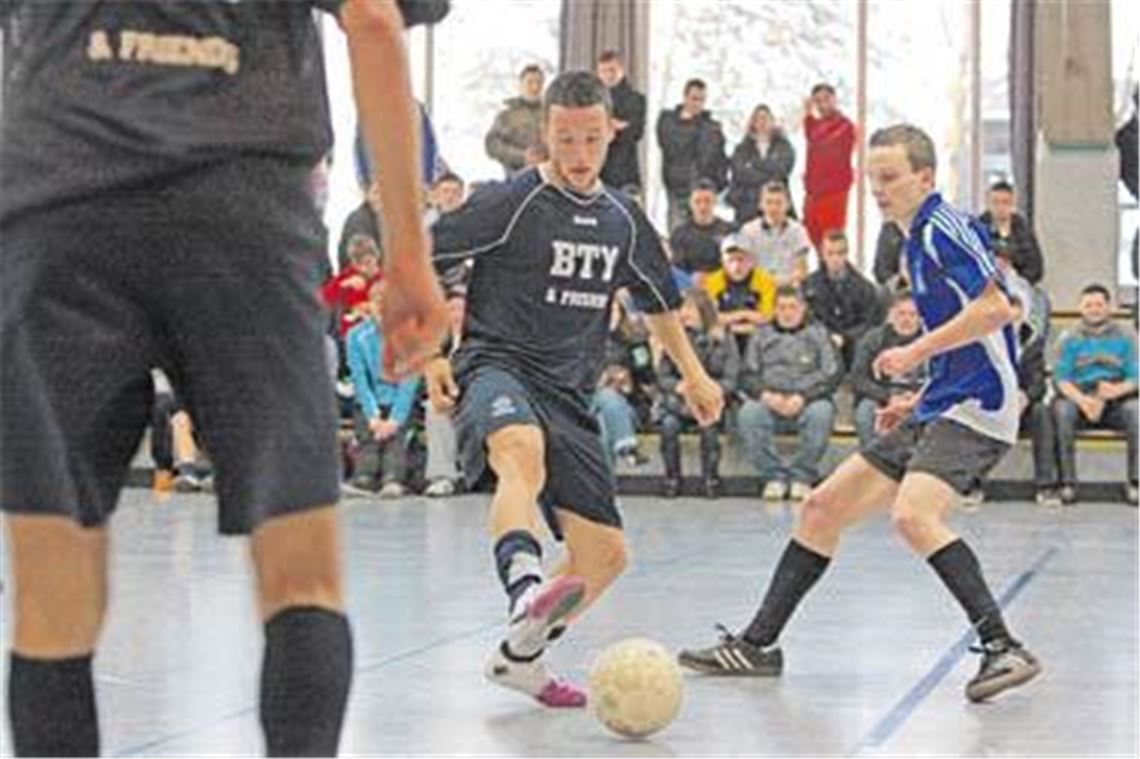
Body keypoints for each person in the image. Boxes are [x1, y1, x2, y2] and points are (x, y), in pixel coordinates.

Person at [0, 1, 450, 756]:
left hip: (59, 210)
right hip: (244, 210)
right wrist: (408, 255)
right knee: (300, 574)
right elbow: (374, 19)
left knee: (52, 595)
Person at [680, 124, 1042, 705]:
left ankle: (1003, 645)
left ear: (925, 178)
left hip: (980, 406)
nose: (878, 189)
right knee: (821, 509)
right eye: (873, 178)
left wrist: (916, 352)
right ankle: (757, 645)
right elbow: (964, 336)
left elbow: (1001, 309)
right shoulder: (909, 239)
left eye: (891, 177)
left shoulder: (944, 227)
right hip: (944, 402)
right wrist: (921, 396)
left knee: (913, 516)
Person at [425, 71, 724, 708]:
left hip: (569, 392)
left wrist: (694, 374)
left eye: (592, 138)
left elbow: (660, 304)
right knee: (520, 453)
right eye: (566, 139)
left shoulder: (623, 219)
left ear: (612, 134)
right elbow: (421, 258)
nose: (580, 153)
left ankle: (519, 657)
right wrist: (429, 354)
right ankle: (524, 586)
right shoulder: (510, 201)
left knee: (605, 556)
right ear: (546, 136)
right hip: (496, 363)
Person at [736, 286, 841, 501]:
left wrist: (804, 397)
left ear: (803, 309)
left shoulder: (819, 334)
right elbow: (747, 374)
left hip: (808, 400)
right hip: (769, 398)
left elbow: (832, 374)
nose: (787, 312)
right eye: (781, 307)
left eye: (792, 307)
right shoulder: (760, 335)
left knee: (822, 413)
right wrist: (765, 395)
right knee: (749, 413)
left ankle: (802, 477)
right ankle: (773, 477)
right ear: (774, 309)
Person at [1052, 284, 1138, 505]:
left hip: (1115, 399)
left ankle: (1135, 483)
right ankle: (1067, 483)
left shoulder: (1126, 337)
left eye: (1099, 304)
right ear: (1080, 308)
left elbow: (1135, 378)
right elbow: (1061, 379)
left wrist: (1110, 394)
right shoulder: (1068, 338)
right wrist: (1085, 401)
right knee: (1061, 411)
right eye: (1088, 305)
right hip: (1078, 399)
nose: (1094, 309)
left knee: (1137, 411)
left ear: (1109, 307)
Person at [656, 289, 740, 499]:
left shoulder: (724, 339)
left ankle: (711, 479)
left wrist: (708, 391)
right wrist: (680, 387)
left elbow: (731, 378)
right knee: (668, 425)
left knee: (709, 427)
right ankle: (671, 478)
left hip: (713, 400)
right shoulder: (674, 341)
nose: (684, 314)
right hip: (679, 401)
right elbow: (663, 376)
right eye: (681, 309)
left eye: (689, 309)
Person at [346, 282, 423, 498]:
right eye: (378, 301)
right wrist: (373, 416)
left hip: (400, 400)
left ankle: (393, 479)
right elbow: (359, 379)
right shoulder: (355, 336)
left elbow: (410, 382)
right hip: (371, 401)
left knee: (397, 438)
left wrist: (394, 420)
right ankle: (365, 478)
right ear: (370, 304)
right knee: (368, 436)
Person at [850, 291, 926, 449]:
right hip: (881, 397)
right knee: (865, 411)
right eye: (901, 314)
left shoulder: (931, 339)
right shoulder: (873, 339)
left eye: (913, 314)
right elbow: (858, 379)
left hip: (920, 398)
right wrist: (888, 397)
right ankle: (872, 462)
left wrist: (916, 398)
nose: (907, 320)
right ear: (891, 315)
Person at [803, 228, 885, 370]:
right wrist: (827, 336)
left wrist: (844, 337)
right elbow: (807, 317)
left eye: (840, 253)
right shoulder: (809, 286)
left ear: (847, 254)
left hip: (852, 344)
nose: (835, 258)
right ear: (822, 254)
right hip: (818, 342)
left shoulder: (864, 288)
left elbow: (869, 321)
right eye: (830, 253)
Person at [656, 78, 728, 231]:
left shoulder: (711, 127)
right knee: (678, 235)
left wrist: (718, 184)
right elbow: (671, 146)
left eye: (702, 100)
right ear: (685, 97)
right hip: (678, 187)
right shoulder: (667, 121)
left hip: (703, 189)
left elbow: (719, 157)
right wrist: (690, 123)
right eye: (694, 98)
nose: (698, 104)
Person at [802, 83, 856, 250]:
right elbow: (810, 131)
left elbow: (826, 144)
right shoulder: (814, 125)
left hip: (834, 192)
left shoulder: (845, 125)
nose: (823, 104)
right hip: (813, 193)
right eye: (818, 101)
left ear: (834, 100)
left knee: (832, 242)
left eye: (826, 99)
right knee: (813, 237)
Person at [703, 234, 776, 355]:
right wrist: (746, 314)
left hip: (757, 337)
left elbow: (767, 318)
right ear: (722, 261)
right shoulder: (712, 281)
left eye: (741, 259)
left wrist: (729, 321)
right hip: (724, 338)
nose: (736, 266)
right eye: (731, 260)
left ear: (752, 261)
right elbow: (711, 317)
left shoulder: (765, 281)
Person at [727, 104, 796, 225]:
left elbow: (781, 171)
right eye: (758, 118)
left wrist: (753, 166)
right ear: (752, 122)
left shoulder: (783, 146)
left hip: (777, 206)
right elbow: (740, 173)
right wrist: (767, 172)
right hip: (748, 205)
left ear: (772, 121)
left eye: (765, 118)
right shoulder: (742, 148)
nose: (762, 122)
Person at [738, 180, 812, 287]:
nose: (773, 208)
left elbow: (801, 270)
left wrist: (780, 283)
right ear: (760, 204)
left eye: (778, 203)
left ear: (788, 205)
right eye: (769, 202)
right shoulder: (748, 231)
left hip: (788, 291)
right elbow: (746, 269)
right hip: (758, 289)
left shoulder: (798, 231)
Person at [596, 50, 647, 194]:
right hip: (597, 170)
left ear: (622, 70)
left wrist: (608, 127)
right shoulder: (591, 100)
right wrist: (616, 125)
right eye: (603, 71)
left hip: (625, 172)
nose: (608, 75)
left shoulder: (636, 99)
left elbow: (636, 132)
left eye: (612, 70)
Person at [485, 64, 546, 177]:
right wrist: (522, 156)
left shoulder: (551, 114)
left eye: (539, 82)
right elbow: (491, 145)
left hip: (548, 176)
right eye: (530, 82)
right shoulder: (507, 116)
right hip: (517, 177)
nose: (535, 87)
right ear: (521, 85)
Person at [977, 181, 1044, 284]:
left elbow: (1036, 267)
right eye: (995, 202)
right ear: (988, 204)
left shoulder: (1023, 230)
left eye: (1005, 202)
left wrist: (1014, 266)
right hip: (985, 285)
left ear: (1013, 204)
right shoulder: (978, 229)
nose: (1000, 207)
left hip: (1018, 282)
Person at [668, 179, 737, 277]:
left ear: (715, 202)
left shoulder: (730, 231)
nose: (703, 206)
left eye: (707, 201)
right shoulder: (679, 234)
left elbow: (736, 268)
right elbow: (677, 271)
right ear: (690, 203)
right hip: (689, 288)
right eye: (697, 201)